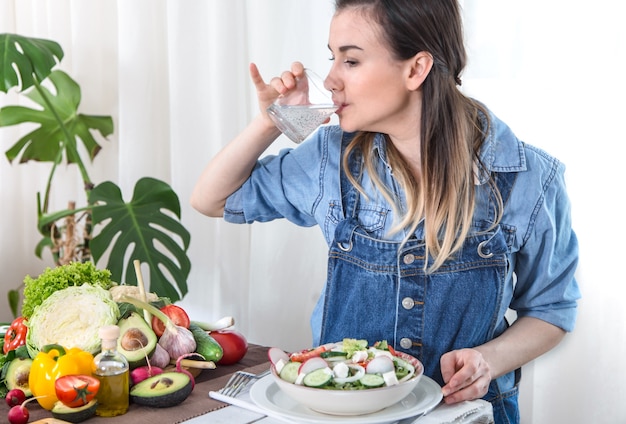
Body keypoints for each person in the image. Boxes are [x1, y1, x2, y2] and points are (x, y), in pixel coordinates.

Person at [191, 0, 580, 422]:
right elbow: (212, 199)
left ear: (416, 69)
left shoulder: (528, 177)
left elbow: (551, 310)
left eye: (352, 60)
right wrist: (270, 123)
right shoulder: (329, 159)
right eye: (332, 57)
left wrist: (489, 360)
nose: (332, 79)